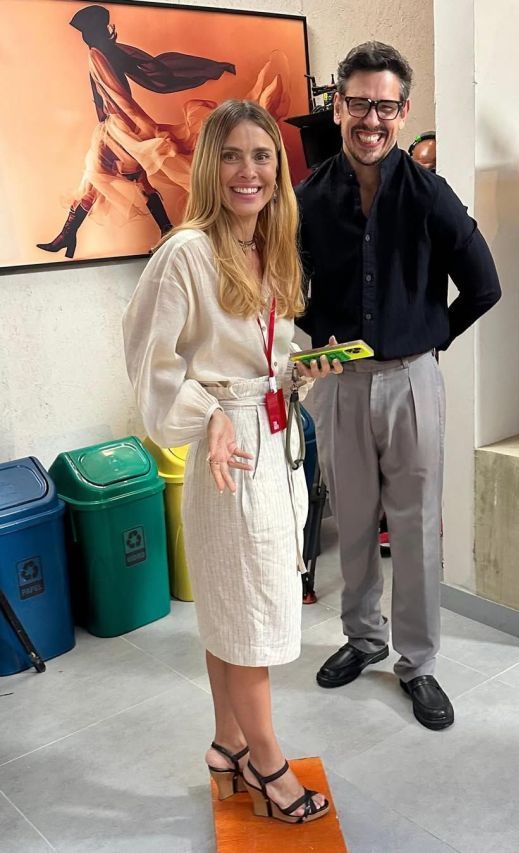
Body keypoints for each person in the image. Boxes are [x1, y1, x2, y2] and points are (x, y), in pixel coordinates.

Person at [123, 100, 340, 824]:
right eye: (232, 155)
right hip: (232, 452)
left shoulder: (267, 246)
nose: (250, 171)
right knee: (247, 613)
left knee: (229, 606)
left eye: (263, 155)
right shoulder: (186, 252)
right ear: (209, 167)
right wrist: (208, 415)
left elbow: (261, 352)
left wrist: (303, 366)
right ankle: (269, 764)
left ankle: (227, 745)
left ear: (279, 168)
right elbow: (150, 361)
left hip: (271, 438)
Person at [295, 42, 501, 731]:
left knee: (413, 529)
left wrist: (430, 337)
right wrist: (316, 335)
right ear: (339, 106)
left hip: (413, 382)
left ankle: (418, 662)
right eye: (359, 103)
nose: (371, 119)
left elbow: (484, 285)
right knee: (352, 520)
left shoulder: (429, 193)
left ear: (403, 111)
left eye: (386, 106)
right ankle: (363, 640)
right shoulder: (308, 198)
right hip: (341, 384)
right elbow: (289, 288)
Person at [37, 3, 235, 258]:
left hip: (117, 125)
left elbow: (113, 92)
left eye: (85, 31)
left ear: (91, 32)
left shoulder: (97, 54)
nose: (84, 36)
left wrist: (129, 124)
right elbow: (155, 69)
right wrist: (212, 67)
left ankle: (68, 236)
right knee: (117, 178)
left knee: (100, 175)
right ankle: (161, 230)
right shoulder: (113, 51)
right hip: (115, 126)